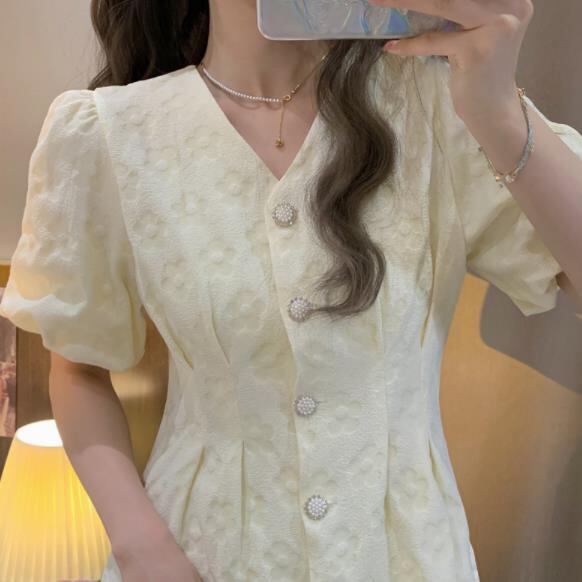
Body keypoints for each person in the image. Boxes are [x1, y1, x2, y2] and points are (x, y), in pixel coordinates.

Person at [1, 1, 582, 581]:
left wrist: (498, 111)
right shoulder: (112, 134)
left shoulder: (437, 102)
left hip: (406, 559)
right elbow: (78, 370)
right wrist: (140, 545)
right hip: (199, 555)